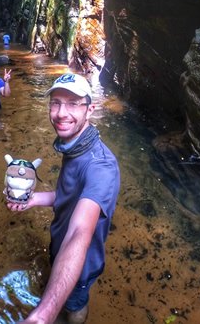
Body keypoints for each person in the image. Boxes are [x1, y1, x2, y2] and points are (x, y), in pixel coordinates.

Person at [7, 73, 120, 323]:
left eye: (72, 103)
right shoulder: (76, 145)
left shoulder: (101, 168)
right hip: (59, 247)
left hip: (80, 267)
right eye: (56, 102)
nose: (60, 113)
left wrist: (43, 315)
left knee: (75, 304)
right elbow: (68, 195)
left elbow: (80, 231)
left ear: (90, 109)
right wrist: (34, 199)